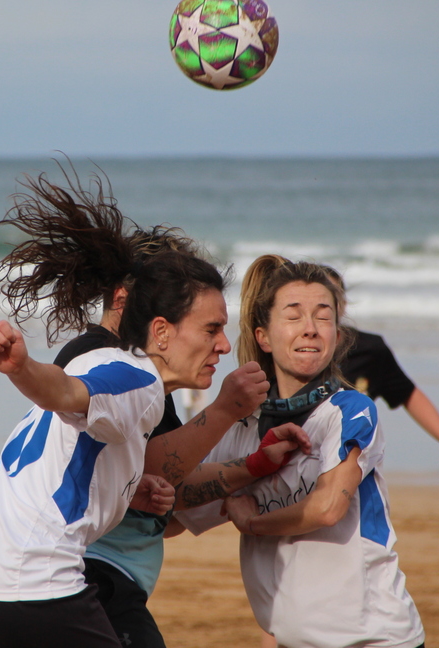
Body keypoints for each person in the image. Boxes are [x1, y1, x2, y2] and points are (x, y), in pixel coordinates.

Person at [0, 172, 299, 648]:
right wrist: (22, 368)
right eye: (211, 329)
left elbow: (70, 451)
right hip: (27, 582)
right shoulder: (135, 376)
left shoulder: (117, 372)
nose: (224, 345)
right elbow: (67, 392)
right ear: (161, 331)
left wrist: (130, 487)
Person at [53, 225, 307, 648]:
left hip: (109, 574)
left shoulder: (143, 372)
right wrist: (226, 413)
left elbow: (165, 503)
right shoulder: (102, 360)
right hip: (89, 567)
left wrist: (252, 466)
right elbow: (158, 472)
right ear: (126, 300)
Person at [175, 256, 425, 648]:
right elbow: (176, 514)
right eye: (293, 316)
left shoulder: (350, 410)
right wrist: (248, 468)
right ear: (263, 337)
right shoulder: (244, 426)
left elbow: (327, 508)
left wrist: (253, 522)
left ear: (337, 336)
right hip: (293, 639)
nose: (310, 328)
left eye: (323, 317)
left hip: (372, 638)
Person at [323, 265, 439, 484]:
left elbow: (407, 394)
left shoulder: (370, 349)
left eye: (332, 296)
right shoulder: (292, 353)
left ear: (343, 303)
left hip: (355, 471)